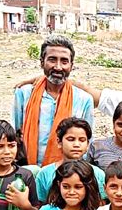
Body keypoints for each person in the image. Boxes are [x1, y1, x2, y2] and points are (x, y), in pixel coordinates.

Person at [12, 35, 94, 166]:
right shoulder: (24, 93)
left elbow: (86, 143)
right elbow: (15, 134)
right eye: (52, 60)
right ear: (41, 62)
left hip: (67, 172)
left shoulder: (84, 100)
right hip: (28, 169)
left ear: (71, 66)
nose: (58, 67)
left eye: (64, 61)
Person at [36, 117, 106, 204]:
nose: (76, 144)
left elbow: (101, 206)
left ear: (88, 143)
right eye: (71, 139)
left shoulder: (98, 174)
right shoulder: (45, 173)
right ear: (59, 142)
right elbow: (41, 206)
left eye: (82, 140)